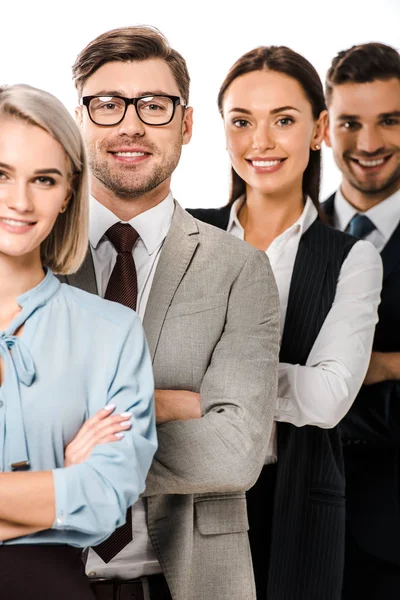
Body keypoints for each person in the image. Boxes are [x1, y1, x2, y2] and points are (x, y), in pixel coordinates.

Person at [65, 26, 280, 600]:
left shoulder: (240, 270)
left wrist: (72, 438)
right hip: (38, 577)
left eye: (154, 106)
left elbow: (237, 452)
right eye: (107, 105)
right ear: (79, 121)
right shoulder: (28, 257)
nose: (130, 125)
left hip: (189, 583)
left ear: (185, 125)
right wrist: (168, 404)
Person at [188, 45, 382, 599]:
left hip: (295, 499)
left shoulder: (351, 257)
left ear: (319, 128)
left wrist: (198, 386)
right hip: (189, 494)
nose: (261, 142)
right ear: (221, 131)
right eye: (242, 121)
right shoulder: (185, 235)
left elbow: (326, 400)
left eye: (284, 120)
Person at [0, 84, 156, 600]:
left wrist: (80, 491)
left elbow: (105, 502)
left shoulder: (112, 332)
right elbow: (80, 496)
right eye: (0, 174)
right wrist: (62, 479)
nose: (19, 201)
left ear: (69, 191)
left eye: (43, 179)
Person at [323, 42, 400, 599]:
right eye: (351, 122)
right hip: (289, 533)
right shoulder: (288, 235)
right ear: (325, 128)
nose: (369, 144)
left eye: (390, 121)